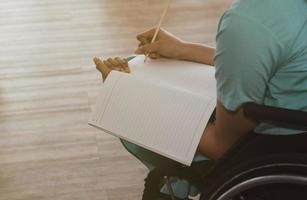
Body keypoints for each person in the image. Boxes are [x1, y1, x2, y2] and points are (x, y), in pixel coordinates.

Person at [94, 0, 307, 198]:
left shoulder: (252, 19)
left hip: (272, 153)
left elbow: (223, 146)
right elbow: (283, 59)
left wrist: (130, 94)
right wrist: (184, 49)